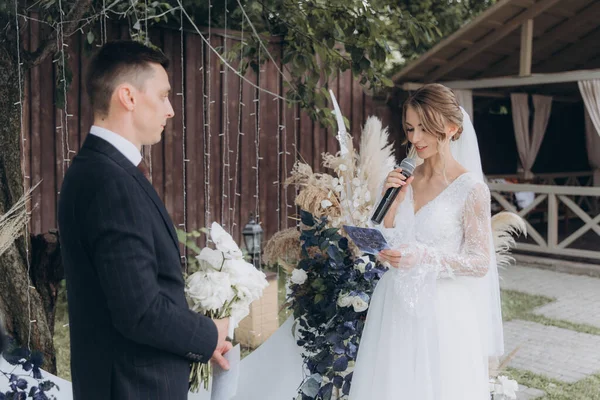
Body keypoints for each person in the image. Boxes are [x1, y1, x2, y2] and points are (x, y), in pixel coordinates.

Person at [58, 40, 231, 400]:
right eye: (164, 95)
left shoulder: (100, 169)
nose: (170, 110)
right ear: (129, 97)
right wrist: (207, 333)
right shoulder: (110, 182)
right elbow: (139, 312)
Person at [350, 83, 503, 400]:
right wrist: (390, 203)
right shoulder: (402, 179)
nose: (415, 139)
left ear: (451, 128)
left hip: (442, 311)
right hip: (392, 304)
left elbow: (479, 262)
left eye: (425, 128)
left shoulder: (471, 189)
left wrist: (423, 257)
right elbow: (389, 240)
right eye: (410, 128)